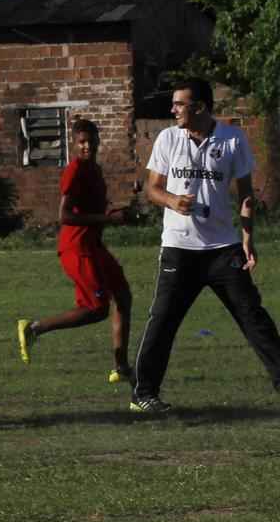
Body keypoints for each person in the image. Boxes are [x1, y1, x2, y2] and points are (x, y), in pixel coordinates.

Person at [131, 78, 280, 413]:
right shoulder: (168, 138)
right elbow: (152, 188)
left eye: (179, 104)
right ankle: (143, 394)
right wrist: (172, 200)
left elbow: (245, 195)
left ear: (200, 107)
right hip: (179, 248)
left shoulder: (232, 139)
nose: (173, 110)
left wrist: (247, 239)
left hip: (223, 248)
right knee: (163, 318)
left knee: (253, 316)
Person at [17, 119, 134, 385]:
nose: (87, 146)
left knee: (123, 297)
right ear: (74, 144)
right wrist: (107, 220)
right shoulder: (74, 171)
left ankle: (121, 367)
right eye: (81, 142)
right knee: (97, 309)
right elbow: (65, 216)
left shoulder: (95, 169)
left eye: (91, 140)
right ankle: (34, 328)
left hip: (94, 245)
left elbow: (91, 208)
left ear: (98, 141)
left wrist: (114, 213)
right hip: (77, 248)